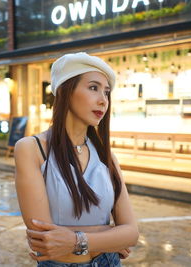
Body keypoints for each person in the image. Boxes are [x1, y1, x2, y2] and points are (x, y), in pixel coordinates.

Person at [15, 52, 138, 266]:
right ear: (66, 90)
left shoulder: (107, 158)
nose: (103, 100)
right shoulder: (31, 149)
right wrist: (110, 236)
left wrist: (75, 240)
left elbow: (131, 233)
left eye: (106, 92)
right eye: (93, 88)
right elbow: (44, 238)